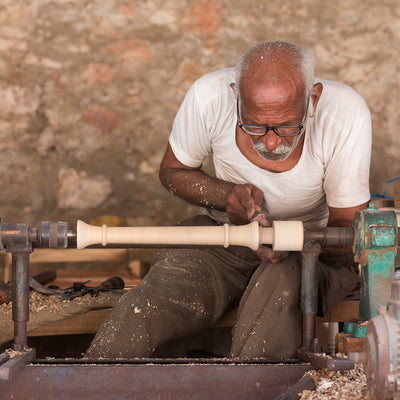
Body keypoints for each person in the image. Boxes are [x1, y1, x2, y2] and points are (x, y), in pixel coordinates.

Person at [86, 41, 371, 360]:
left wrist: (289, 240)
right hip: (227, 240)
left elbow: (349, 233)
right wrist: (225, 196)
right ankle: (87, 382)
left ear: (313, 100)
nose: (272, 141)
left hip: (314, 253)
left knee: (280, 287)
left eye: (288, 126)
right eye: (255, 125)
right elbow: (173, 171)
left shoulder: (345, 113)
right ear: (235, 96)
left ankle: (246, 386)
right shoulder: (209, 96)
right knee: (151, 303)